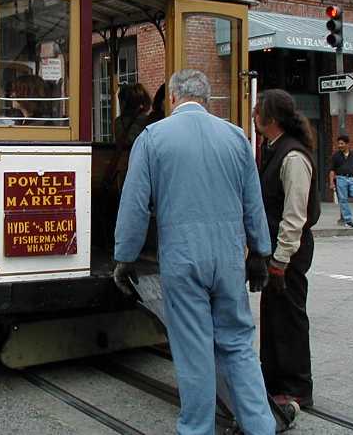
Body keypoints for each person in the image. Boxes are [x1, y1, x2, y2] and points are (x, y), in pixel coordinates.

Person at [114, 69, 276, 435]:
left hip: (183, 259)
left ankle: (197, 428)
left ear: (172, 98)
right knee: (238, 344)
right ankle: (260, 425)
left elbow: (135, 205)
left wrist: (125, 257)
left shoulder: (153, 137)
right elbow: (254, 203)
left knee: (194, 350)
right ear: (208, 99)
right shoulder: (236, 138)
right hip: (230, 258)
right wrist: (260, 254)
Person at [253, 89, 320, 410]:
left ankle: (297, 388)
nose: (253, 116)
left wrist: (280, 259)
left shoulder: (293, 157)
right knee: (274, 316)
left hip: (289, 252)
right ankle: (276, 381)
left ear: (272, 119)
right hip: (278, 251)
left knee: (289, 317)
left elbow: (295, 215)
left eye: (257, 112)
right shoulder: (274, 149)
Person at [329, 134, 353, 228]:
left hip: (352, 179)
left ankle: (344, 193)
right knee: (343, 200)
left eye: (342, 143)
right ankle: (348, 220)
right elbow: (332, 170)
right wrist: (331, 183)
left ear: (347, 144)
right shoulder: (336, 156)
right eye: (339, 144)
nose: (339, 145)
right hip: (340, 179)